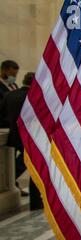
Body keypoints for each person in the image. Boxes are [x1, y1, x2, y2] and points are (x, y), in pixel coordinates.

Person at [1, 72, 42, 209]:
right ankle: (36, 202)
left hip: (14, 136)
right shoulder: (34, 96)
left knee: (20, 162)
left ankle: (11, 178)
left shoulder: (9, 95)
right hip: (32, 136)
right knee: (35, 169)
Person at [0, 60, 20, 128]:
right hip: (3, 124)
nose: (14, 77)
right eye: (12, 74)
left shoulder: (14, 85)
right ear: (3, 71)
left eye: (15, 75)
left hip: (15, 123)